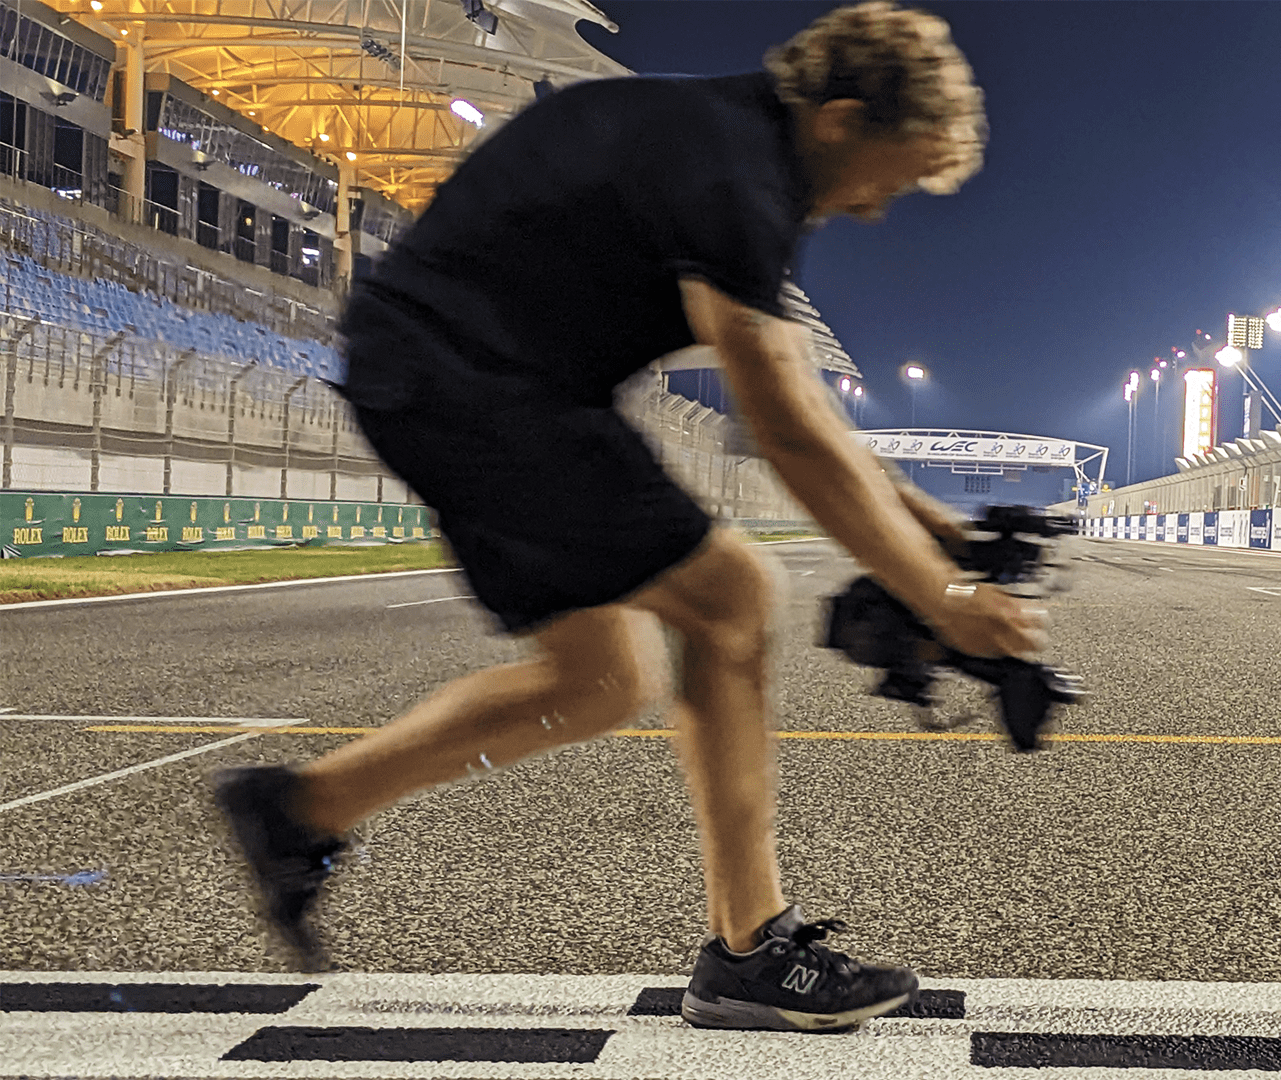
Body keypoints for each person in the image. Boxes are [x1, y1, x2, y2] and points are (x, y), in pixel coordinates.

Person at [212, 1, 1046, 1034]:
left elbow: (805, 407)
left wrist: (945, 540)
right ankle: (751, 951)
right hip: (472, 379)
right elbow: (784, 432)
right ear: (839, 118)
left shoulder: (733, 151)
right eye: (899, 171)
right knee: (736, 595)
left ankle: (297, 811)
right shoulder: (735, 173)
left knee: (601, 681)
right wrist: (948, 600)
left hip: (455, 373)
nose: (884, 206)